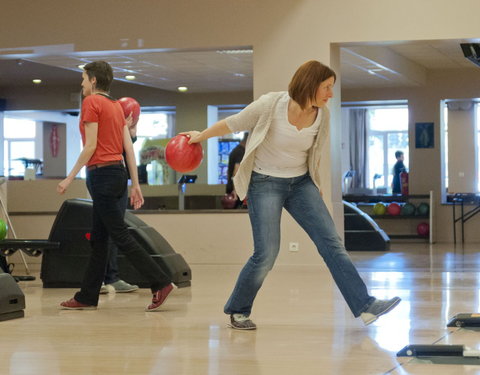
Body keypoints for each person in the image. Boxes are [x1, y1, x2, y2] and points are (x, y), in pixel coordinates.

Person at [182, 60, 401, 330]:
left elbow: (314, 151)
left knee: (331, 243)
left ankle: (366, 306)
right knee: (267, 253)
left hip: (301, 184)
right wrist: (200, 136)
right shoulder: (270, 105)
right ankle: (238, 309)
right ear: (310, 84)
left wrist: (314, 181)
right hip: (264, 183)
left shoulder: (323, 114)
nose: (331, 94)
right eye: (327, 87)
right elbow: (233, 123)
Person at [57, 60, 173, 311]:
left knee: (119, 234)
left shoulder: (91, 103)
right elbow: (128, 148)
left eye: (84, 78)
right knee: (99, 239)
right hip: (118, 175)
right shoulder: (116, 106)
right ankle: (87, 296)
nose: (82, 83)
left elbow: (90, 146)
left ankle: (161, 282)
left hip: (102, 176)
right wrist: (136, 184)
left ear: (94, 80)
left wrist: (69, 177)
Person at [100, 115, 139, 294]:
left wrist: (131, 132)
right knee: (104, 232)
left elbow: (127, 152)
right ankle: (103, 279)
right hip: (104, 180)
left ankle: (111, 278)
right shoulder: (103, 126)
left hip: (119, 182)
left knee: (116, 232)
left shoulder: (122, 134)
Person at [225, 132, 248, 208]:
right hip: (236, 192)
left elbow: (228, 172)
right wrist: (236, 190)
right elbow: (236, 172)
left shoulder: (235, 150)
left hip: (231, 188)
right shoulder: (241, 152)